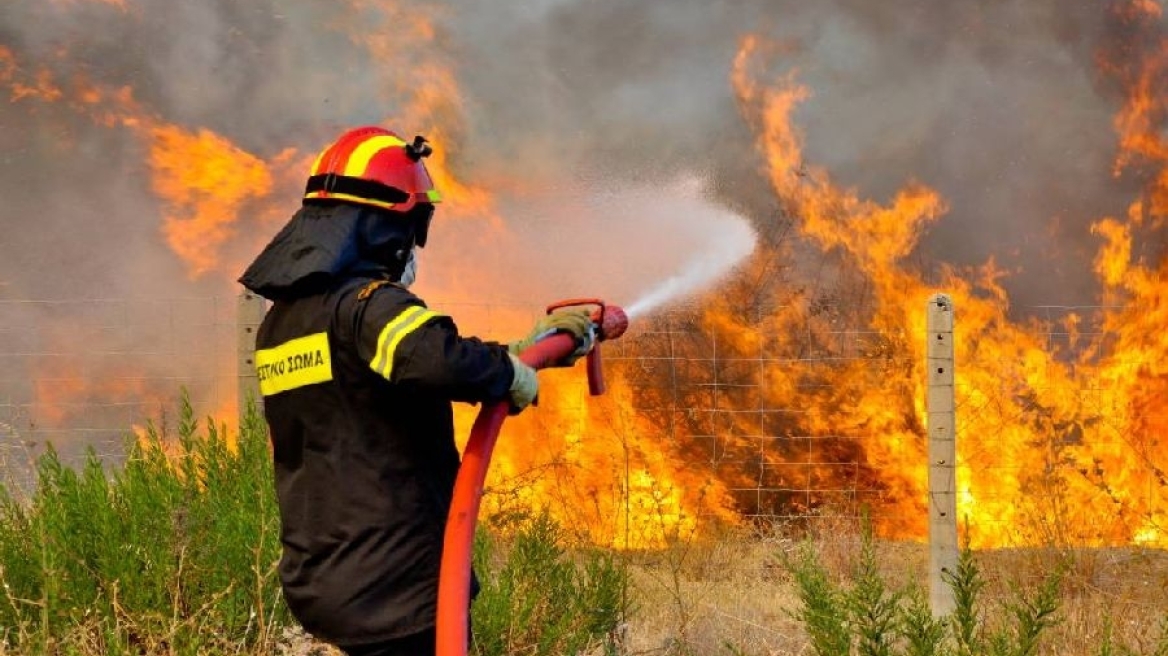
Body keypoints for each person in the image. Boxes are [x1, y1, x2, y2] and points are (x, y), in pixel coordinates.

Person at [238, 126, 593, 655]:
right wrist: (509, 374)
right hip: (396, 583)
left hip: (327, 576)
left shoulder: (284, 324)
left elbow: (395, 369)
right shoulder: (368, 306)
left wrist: (518, 352)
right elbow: (436, 360)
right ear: (384, 228)